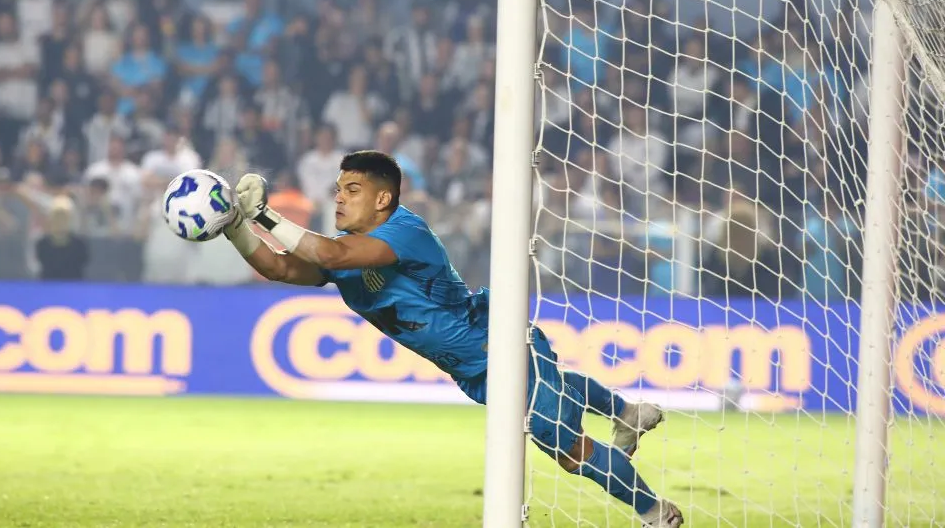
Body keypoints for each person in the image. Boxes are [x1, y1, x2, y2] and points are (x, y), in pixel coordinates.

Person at [220, 150, 682, 527]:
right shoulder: (339, 255)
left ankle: (656, 513)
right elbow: (279, 265)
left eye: (353, 190)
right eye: (338, 190)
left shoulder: (404, 230)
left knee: (564, 447)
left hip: (497, 343)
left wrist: (264, 212)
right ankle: (627, 411)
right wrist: (235, 225)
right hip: (473, 371)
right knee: (553, 391)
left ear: (383, 199)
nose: (340, 199)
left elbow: (330, 252)